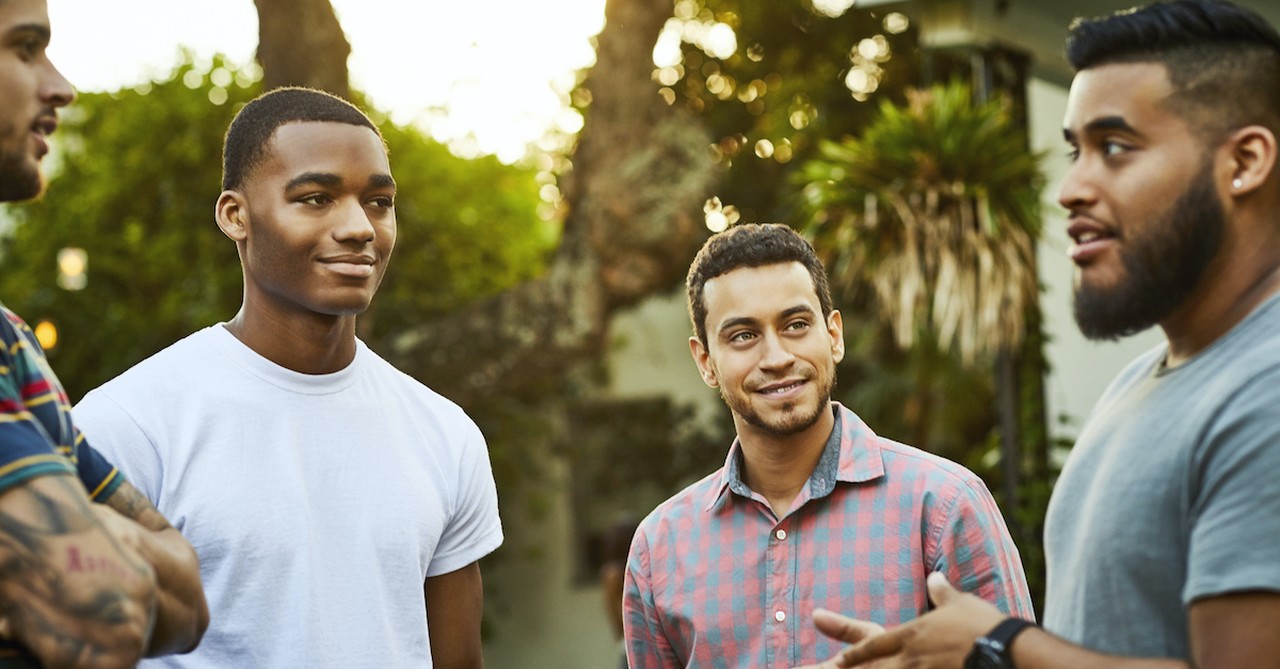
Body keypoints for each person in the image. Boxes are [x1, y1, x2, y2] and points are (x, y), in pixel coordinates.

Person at [796, 2, 1280, 668]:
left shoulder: (1267, 392)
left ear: (1246, 161)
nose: (1071, 188)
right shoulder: (1139, 382)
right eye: (1074, 151)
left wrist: (999, 644)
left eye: (1115, 147)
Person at [71, 87, 504, 668]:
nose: (359, 228)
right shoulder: (128, 425)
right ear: (235, 216)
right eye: (317, 198)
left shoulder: (445, 435)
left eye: (378, 202)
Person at [622, 223, 1034, 668]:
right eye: (743, 335)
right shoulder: (659, 549)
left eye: (796, 325)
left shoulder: (944, 505)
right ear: (705, 362)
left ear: (833, 335)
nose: (777, 358)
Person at [0, 0, 208, 667]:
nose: (61, 85)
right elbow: (102, 611)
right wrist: (106, 549)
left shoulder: (8, 339)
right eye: (26, 47)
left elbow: (190, 602)